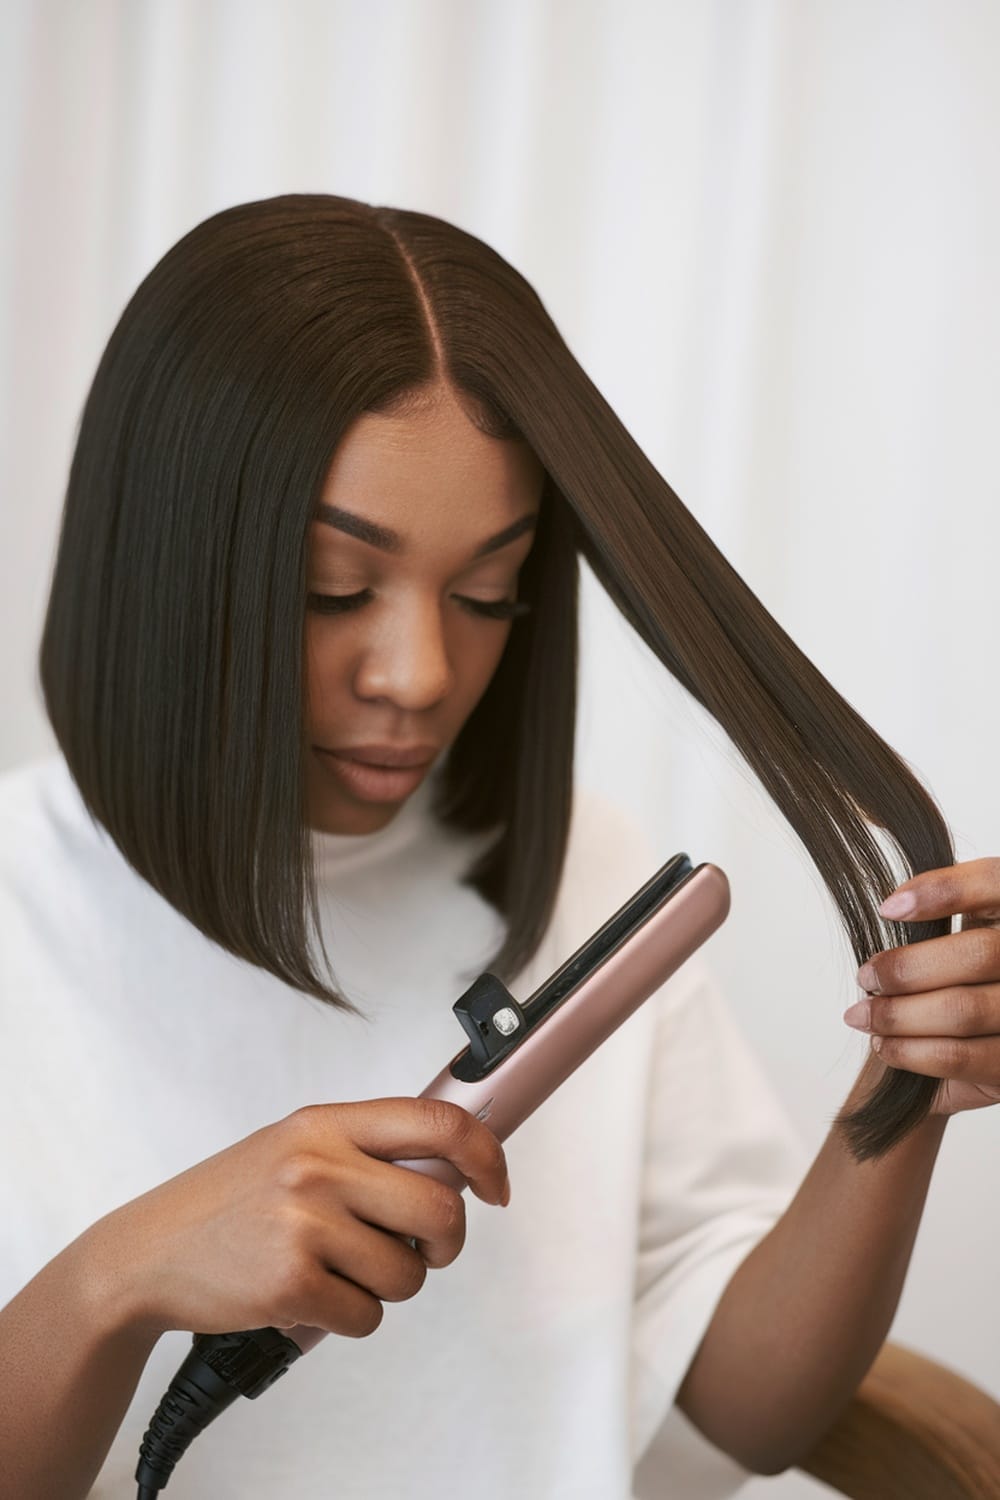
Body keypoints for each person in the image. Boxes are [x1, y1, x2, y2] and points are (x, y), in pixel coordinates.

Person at [2, 195, 998, 1500]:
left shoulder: (588, 872)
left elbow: (743, 1410)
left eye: (488, 593)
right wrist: (112, 1284)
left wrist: (911, 1087)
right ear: (173, 560)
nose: (420, 675)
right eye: (333, 590)